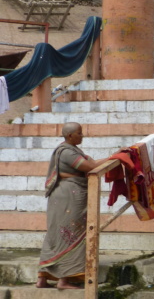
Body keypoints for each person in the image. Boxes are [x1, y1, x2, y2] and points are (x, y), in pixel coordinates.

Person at [37, 122, 116, 290]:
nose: (82, 136)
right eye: (79, 133)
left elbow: (91, 164)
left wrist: (113, 158)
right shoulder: (66, 152)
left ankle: (43, 278)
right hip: (69, 196)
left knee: (55, 235)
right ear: (70, 136)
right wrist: (115, 157)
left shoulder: (71, 150)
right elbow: (91, 167)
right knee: (72, 233)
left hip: (65, 195)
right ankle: (65, 281)